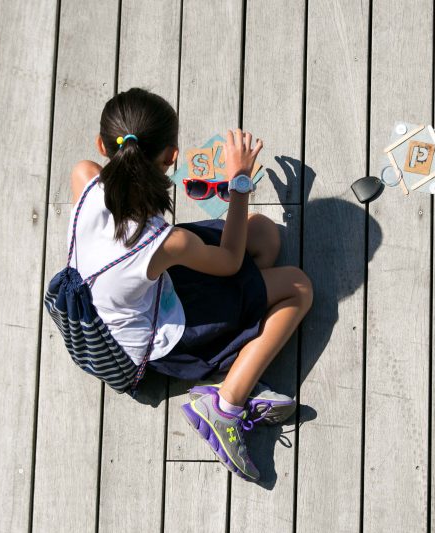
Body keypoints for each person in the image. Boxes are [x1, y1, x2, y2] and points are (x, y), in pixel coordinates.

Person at [67, 88, 312, 481]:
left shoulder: (85, 178)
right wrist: (240, 182)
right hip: (154, 338)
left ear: (101, 145)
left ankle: (239, 341)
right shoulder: (165, 242)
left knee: (265, 236)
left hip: (122, 302)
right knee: (297, 287)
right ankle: (226, 405)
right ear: (171, 159)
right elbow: (230, 262)